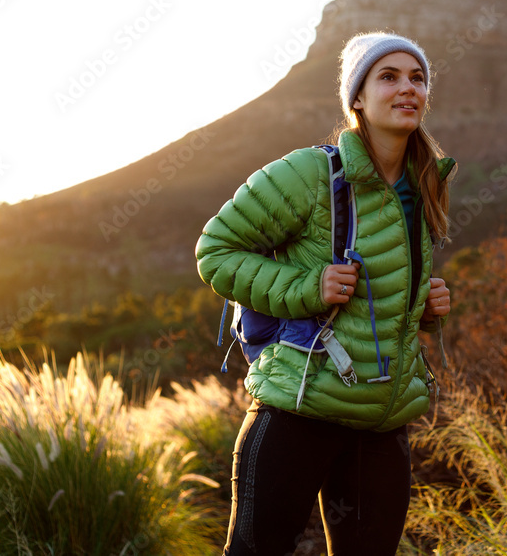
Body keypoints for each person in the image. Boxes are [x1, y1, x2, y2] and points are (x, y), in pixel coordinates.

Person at [195, 31, 455, 555]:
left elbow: (383, 300)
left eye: (417, 78)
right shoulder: (311, 173)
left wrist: (425, 309)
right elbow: (216, 250)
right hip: (298, 409)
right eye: (389, 77)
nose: (408, 88)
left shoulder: (425, 180)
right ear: (357, 97)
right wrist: (308, 287)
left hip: (381, 423)